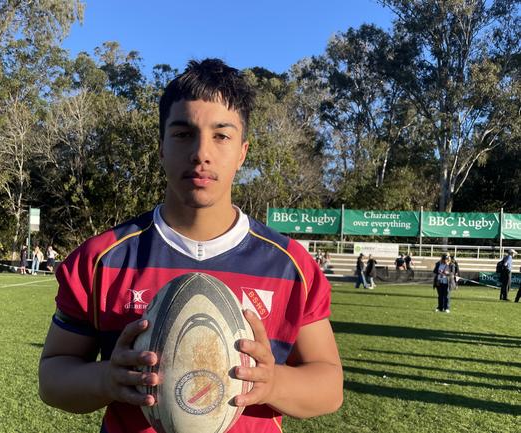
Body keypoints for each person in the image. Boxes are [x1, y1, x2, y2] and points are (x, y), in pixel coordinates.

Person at [38, 59, 343, 433]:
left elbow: (329, 386)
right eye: (183, 134)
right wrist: (106, 379)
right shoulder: (101, 260)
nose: (202, 152)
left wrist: (273, 382)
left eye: (221, 135)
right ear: (162, 146)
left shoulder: (290, 265)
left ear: (243, 152)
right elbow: (53, 377)